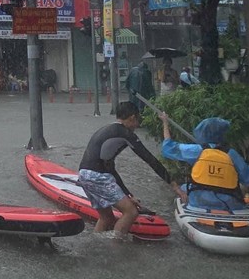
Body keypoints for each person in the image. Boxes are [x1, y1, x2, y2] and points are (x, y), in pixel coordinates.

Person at [78, 101, 186, 239]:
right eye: (137, 121)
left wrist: (128, 195)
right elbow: (150, 160)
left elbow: (109, 168)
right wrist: (174, 185)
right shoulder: (126, 134)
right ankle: (115, 250)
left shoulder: (107, 129)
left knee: (106, 218)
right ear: (132, 118)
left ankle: (98, 246)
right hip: (97, 176)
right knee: (131, 212)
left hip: (84, 174)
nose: (137, 125)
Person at [161, 114, 249, 212]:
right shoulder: (232, 154)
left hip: (199, 201)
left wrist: (165, 123)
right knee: (242, 188)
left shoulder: (196, 150)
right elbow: (248, 178)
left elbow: (168, 148)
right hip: (229, 203)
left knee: (183, 187)